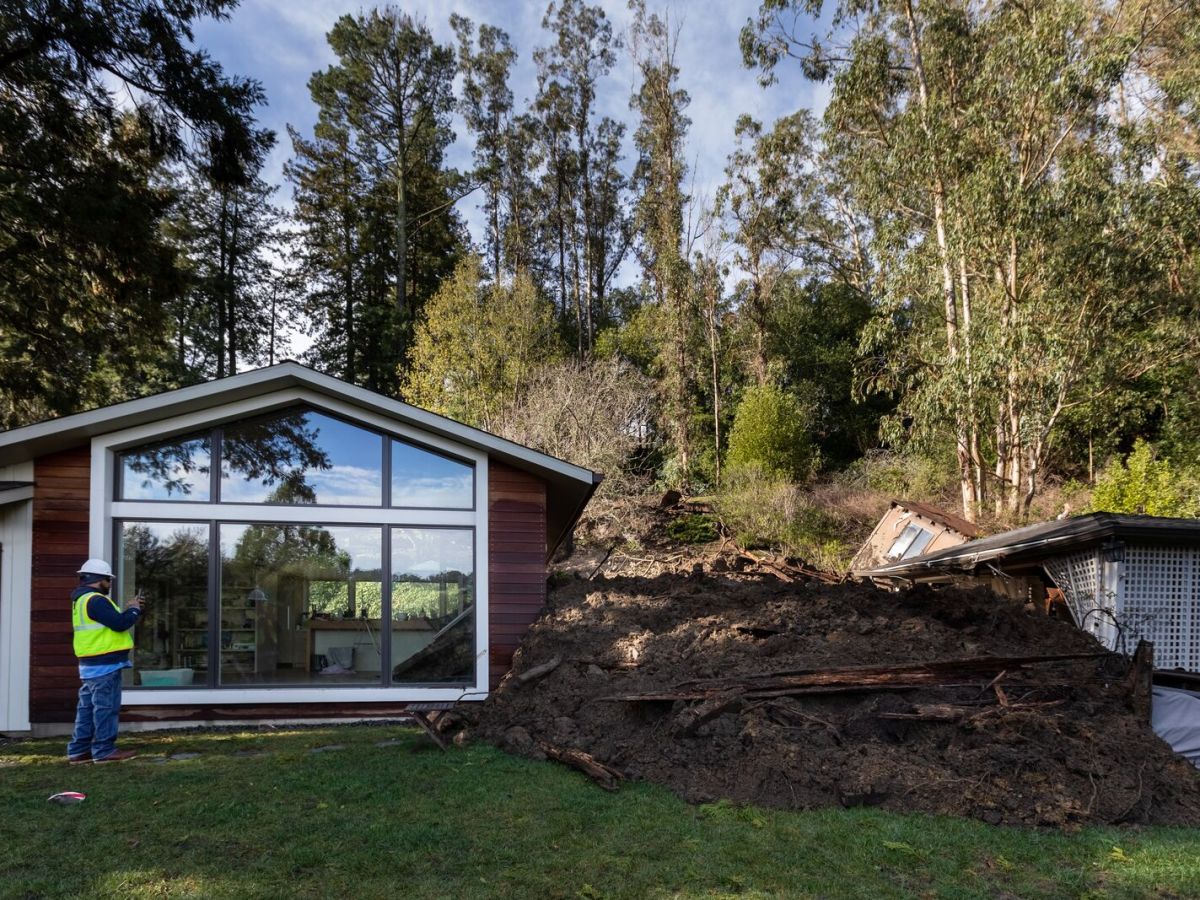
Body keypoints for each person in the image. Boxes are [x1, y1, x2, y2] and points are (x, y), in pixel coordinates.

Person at [66, 559, 144, 764]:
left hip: (90, 664)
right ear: (100, 579)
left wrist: (127, 609)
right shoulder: (96, 600)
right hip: (104, 665)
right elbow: (119, 624)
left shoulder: (81, 600)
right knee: (106, 708)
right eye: (108, 580)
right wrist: (134, 609)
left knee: (87, 709)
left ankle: (79, 751)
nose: (110, 584)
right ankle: (104, 751)